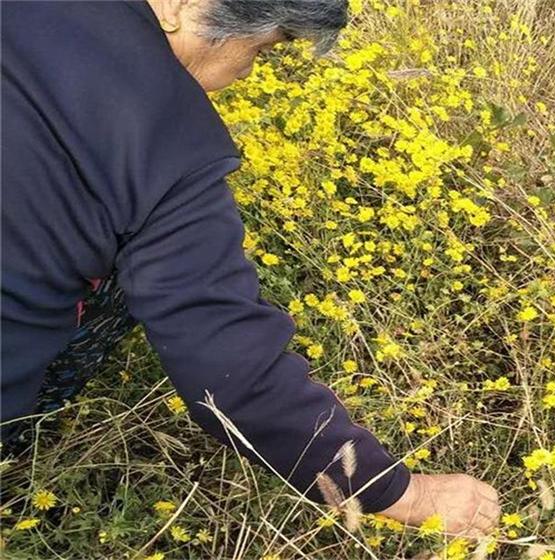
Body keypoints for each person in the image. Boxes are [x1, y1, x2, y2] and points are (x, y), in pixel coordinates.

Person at [0, 0, 500, 537]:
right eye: (263, 48)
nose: (249, 71)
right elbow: (233, 377)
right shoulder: (173, 143)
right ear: (178, 6)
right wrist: (403, 493)